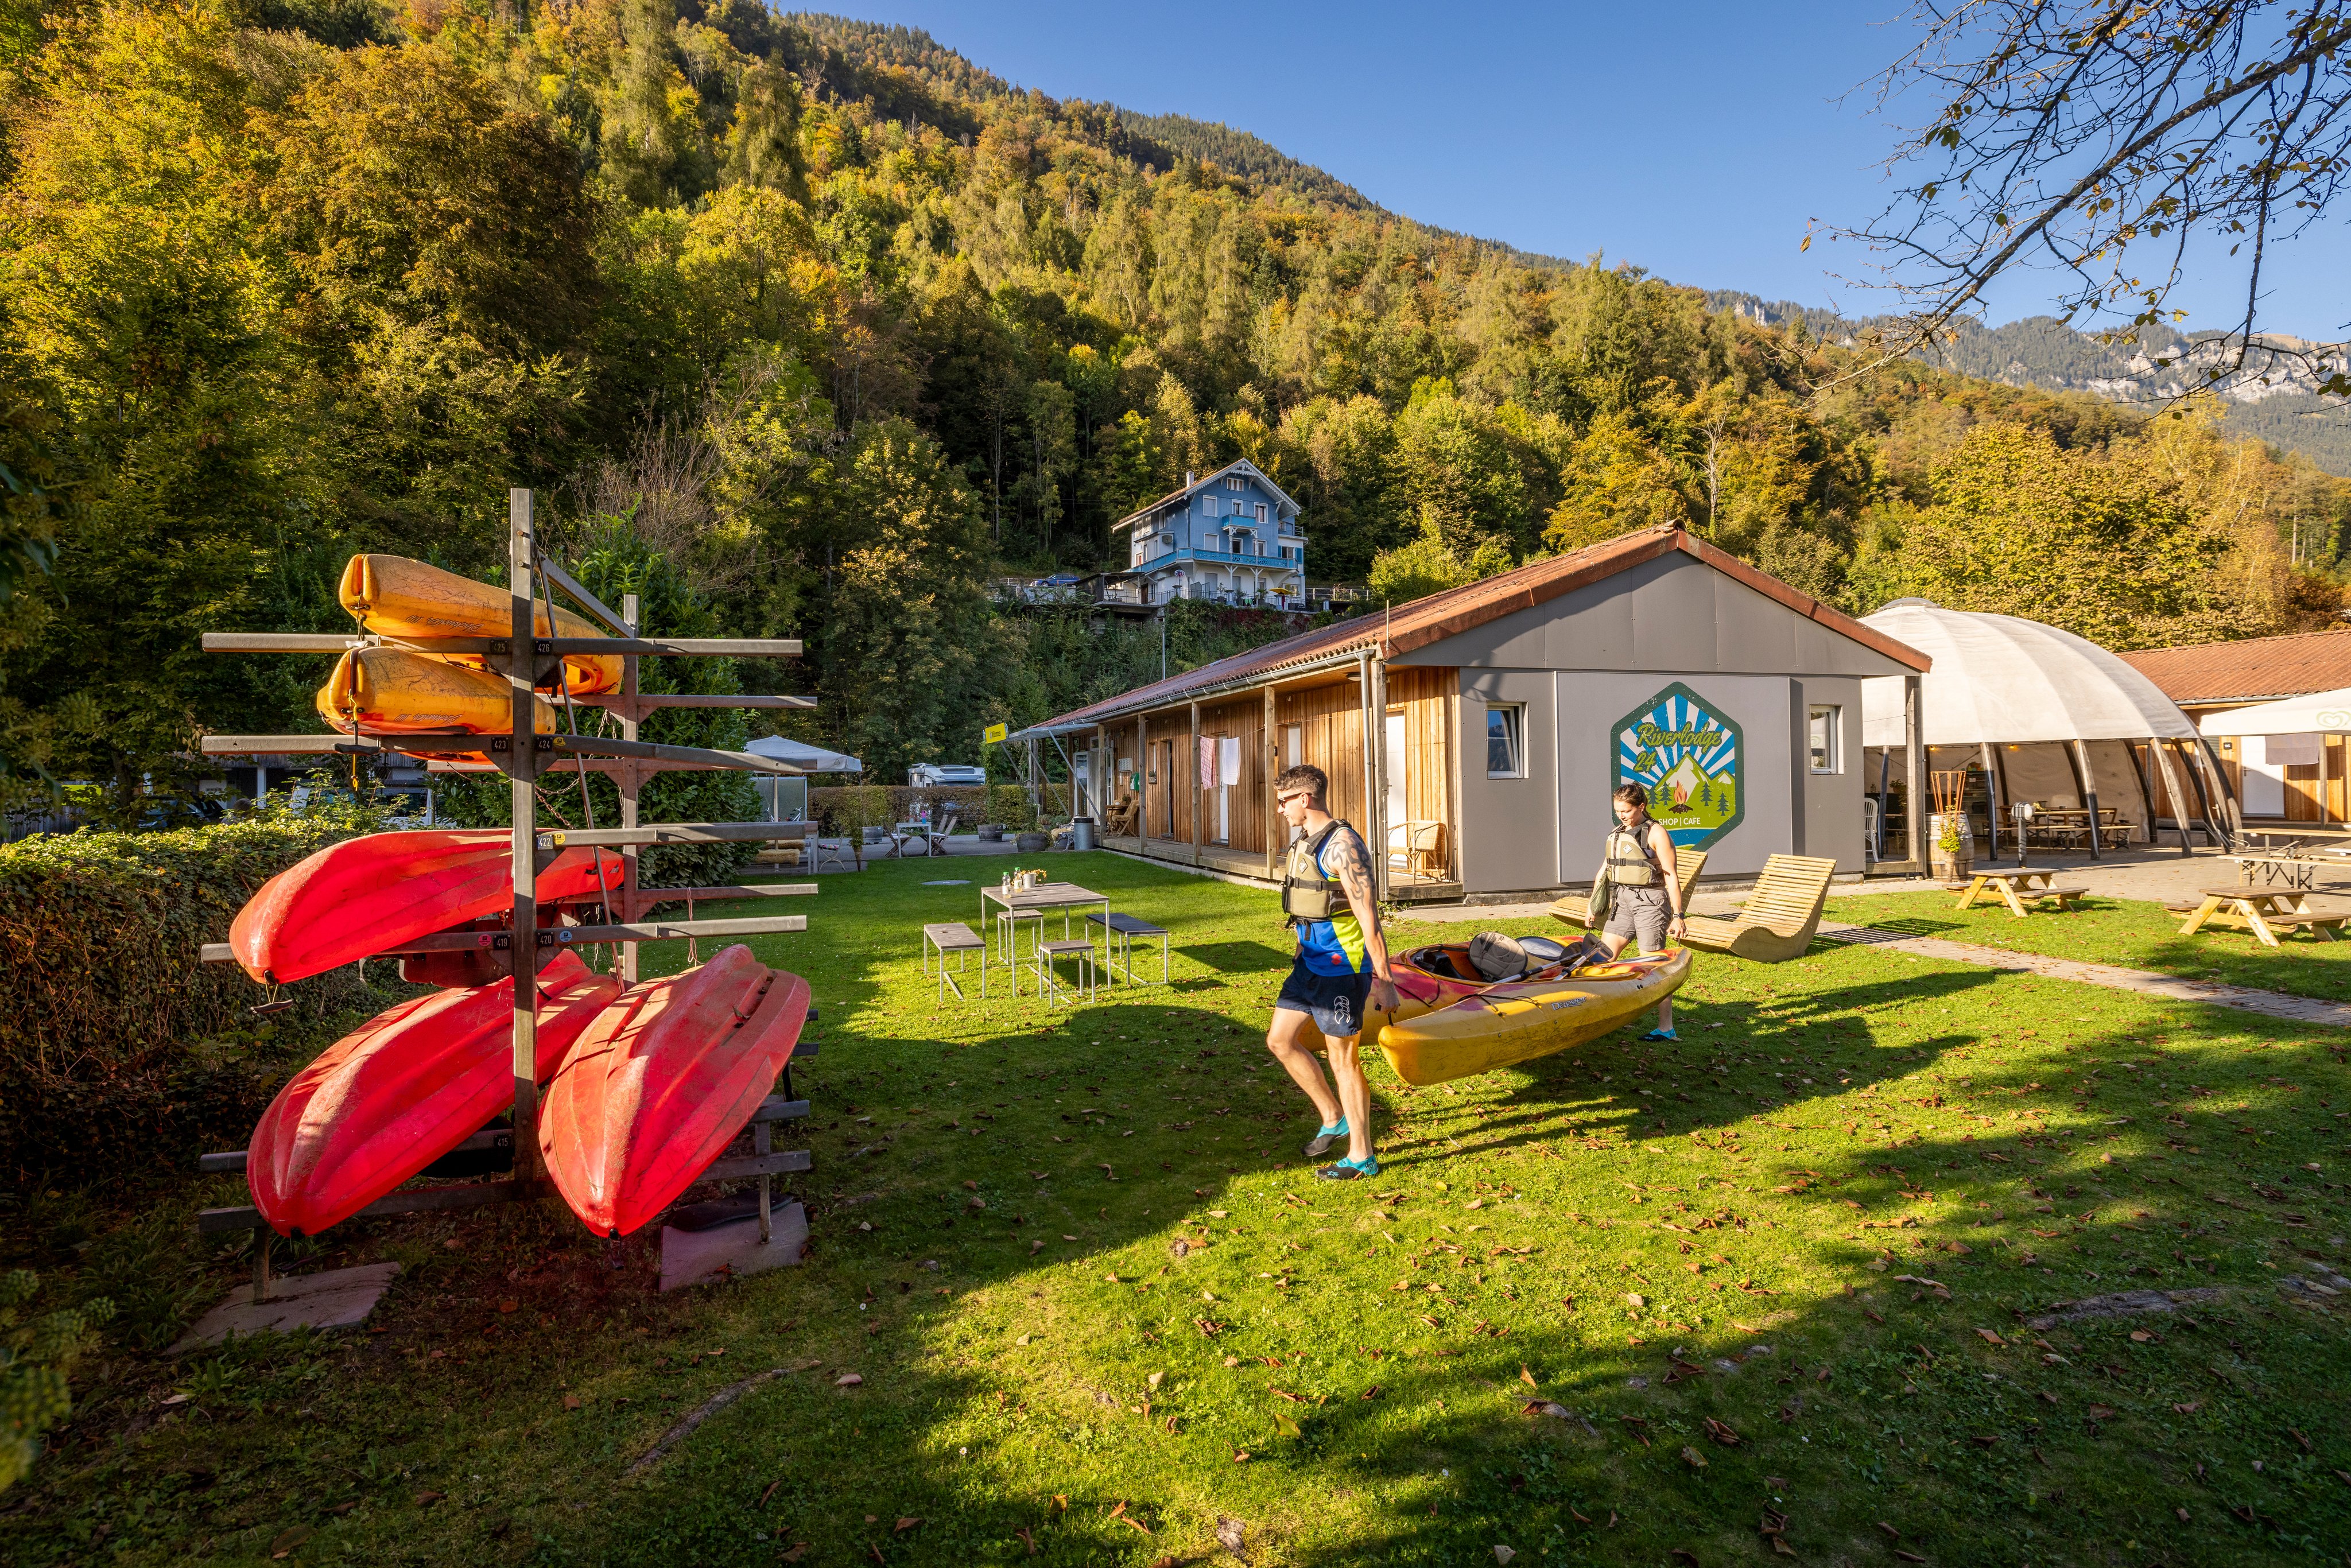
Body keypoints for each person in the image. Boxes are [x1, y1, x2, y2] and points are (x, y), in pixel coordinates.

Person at [1263, 763, 1398, 1181]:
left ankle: (1362, 1156)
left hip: (1342, 968)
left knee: (1344, 1060)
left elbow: (1369, 919)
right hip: (1309, 963)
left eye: (1284, 802)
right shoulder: (1307, 839)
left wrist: (1385, 981)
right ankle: (1333, 1116)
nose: (1280, 809)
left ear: (1304, 799)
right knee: (1280, 1041)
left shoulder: (1343, 847)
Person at [1589, 781, 1689, 1041]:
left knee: (1653, 967)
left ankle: (1666, 1028)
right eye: (1617, 811)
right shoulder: (1618, 832)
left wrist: (1678, 916)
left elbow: (1671, 876)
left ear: (1641, 806)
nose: (1621, 816)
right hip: (1622, 900)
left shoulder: (1656, 833)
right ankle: (1601, 1015)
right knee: (1602, 958)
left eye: (1626, 811)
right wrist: (1592, 906)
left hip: (1650, 902)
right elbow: (1604, 870)